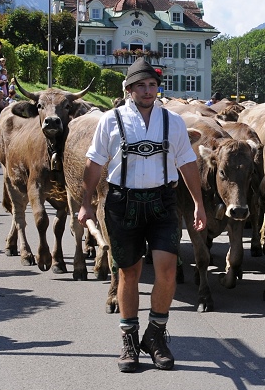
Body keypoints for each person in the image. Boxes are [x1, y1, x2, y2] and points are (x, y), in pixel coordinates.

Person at [77, 58, 207, 373]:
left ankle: (156, 335)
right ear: (130, 89)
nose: (147, 91)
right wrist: (86, 201)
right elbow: (95, 163)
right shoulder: (111, 120)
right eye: (140, 86)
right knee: (129, 273)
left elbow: (187, 162)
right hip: (123, 202)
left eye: (151, 85)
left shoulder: (172, 121)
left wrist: (199, 204)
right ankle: (129, 339)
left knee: (166, 271)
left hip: (162, 201)